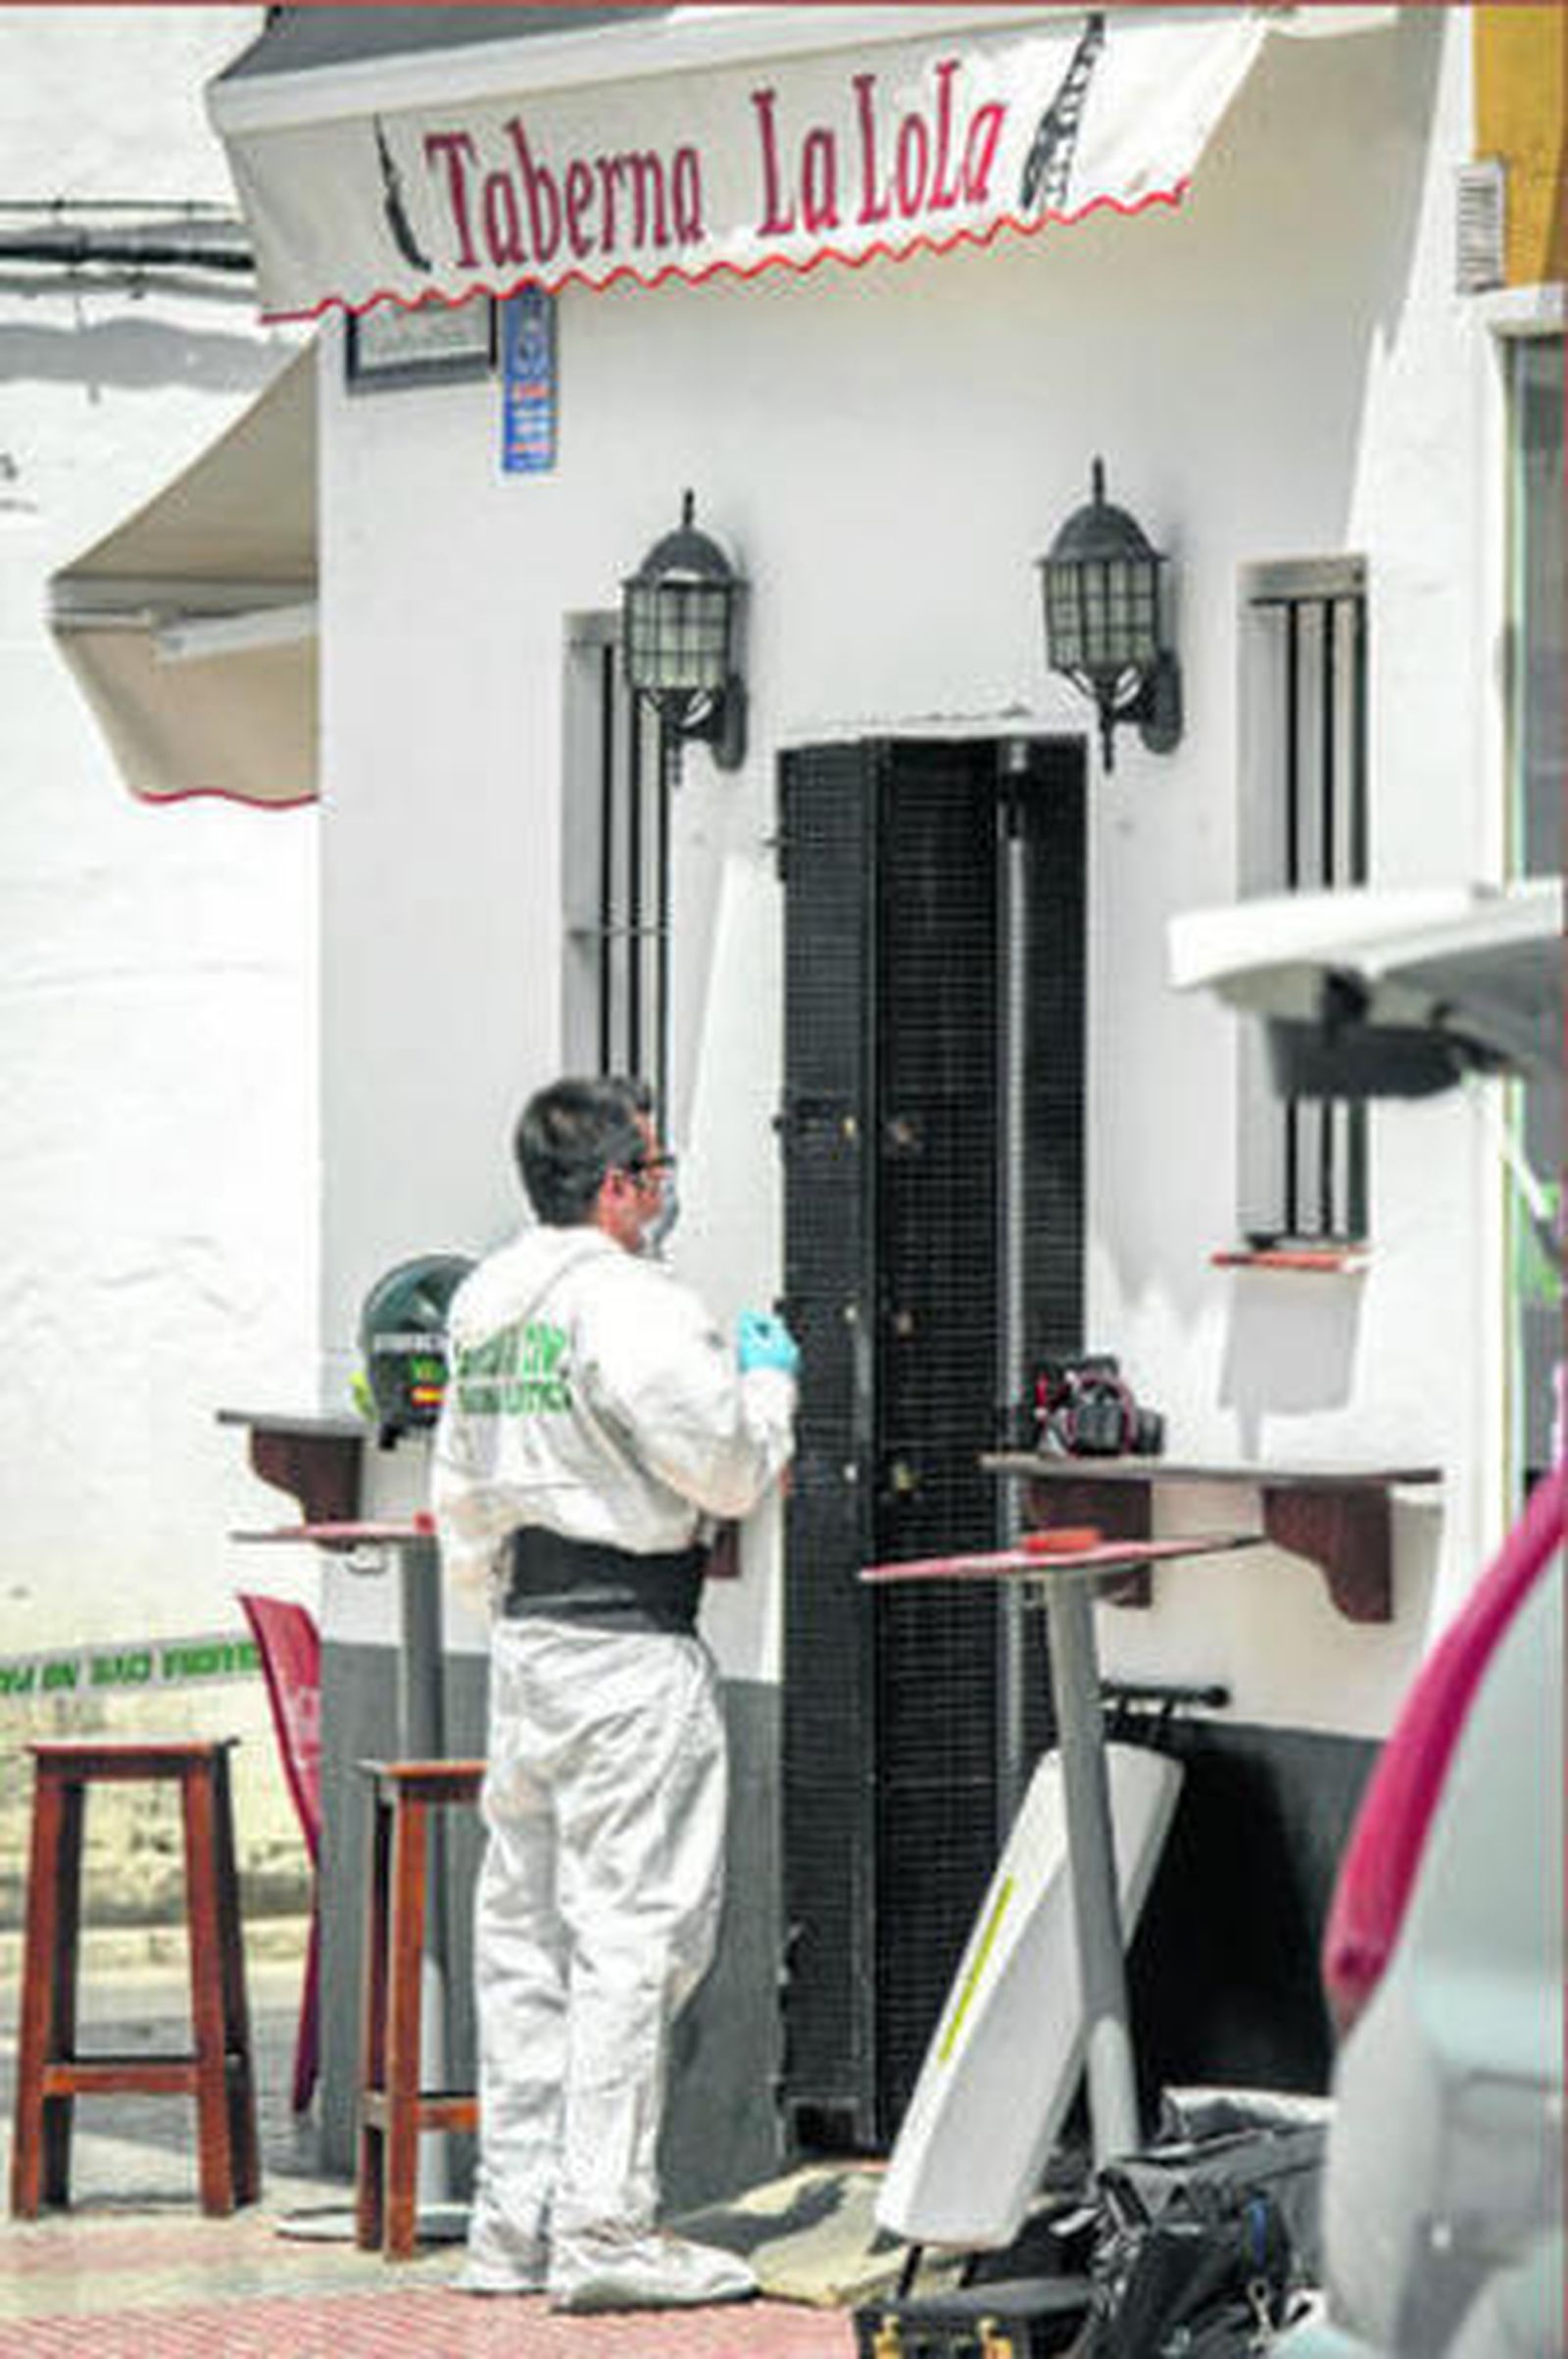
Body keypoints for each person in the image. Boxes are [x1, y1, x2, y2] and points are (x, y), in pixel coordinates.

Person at [431, 1075, 799, 2312]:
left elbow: (459, 1494)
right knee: (635, 1941)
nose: (664, 1185)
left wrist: (506, 1607)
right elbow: (728, 1468)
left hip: (527, 1646)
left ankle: (511, 2226)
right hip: (631, 1650)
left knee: (525, 1942)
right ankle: (605, 2227)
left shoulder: (485, 1301)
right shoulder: (630, 1303)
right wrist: (770, 1389)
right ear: (617, 1187)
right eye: (655, 1164)